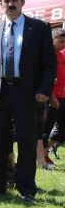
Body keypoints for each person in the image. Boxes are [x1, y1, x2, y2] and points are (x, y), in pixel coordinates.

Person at [0, 0, 57, 201]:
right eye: (7, 1)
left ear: (23, 2)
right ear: (1, 4)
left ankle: (26, 189)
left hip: (27, 92)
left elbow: (49, 64)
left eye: (15, 0)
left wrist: (45, 90)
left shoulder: (39, 28)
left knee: (27, 142)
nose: (11, 4)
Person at [45, 28, 65, 160]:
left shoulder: (62, 55)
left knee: (62, 129)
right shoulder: (47, 56)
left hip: (62, 96)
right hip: (49, 97)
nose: (63, 44)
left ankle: (46, 150)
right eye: (61, 41)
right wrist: (51, 96)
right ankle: (42, 156)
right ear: (52, 40)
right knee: (46, 128)